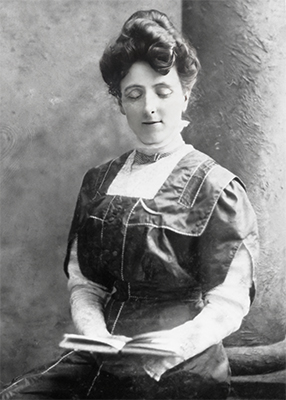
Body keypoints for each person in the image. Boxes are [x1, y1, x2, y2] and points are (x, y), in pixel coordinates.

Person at [1, 9, 259, 400]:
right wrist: (97, 338)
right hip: (104, 356)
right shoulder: (99, 181)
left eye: (162, 91)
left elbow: (229, 302)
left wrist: (162, 352)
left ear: (185, 95)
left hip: (180, 363)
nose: (149, 107)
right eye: (134, 94)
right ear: (121, 103)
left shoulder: (217, 187)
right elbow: (85, 284)